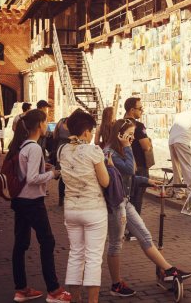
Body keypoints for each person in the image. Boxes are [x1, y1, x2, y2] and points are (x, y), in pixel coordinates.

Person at [104, 119, 191, 297]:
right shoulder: (110, 153)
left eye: (133, 135)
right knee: (115, 244)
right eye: (129, 134)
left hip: (125, 202)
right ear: (119, 134)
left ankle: (167, 269)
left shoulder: (120, 150)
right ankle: (116, 284)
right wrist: (127, 147)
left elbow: (126, 178)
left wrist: (147, 181)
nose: (132, 138)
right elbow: (129, 170)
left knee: (145, 236)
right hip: (116, 204)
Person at [7, 109, 73, 303]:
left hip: (19, 199)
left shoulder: (19, 144)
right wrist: (52, 175)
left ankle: (21, 288)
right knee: (47, 241)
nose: (47, 126)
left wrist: (43, 168)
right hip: (32, 201)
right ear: (39, 125)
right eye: (46, 123)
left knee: (21, 243)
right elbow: (32, 178)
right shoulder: (34, 147)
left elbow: (24, 171)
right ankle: (53, 290)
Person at [59, 109, 110, 303]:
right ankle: (92, 301)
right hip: (93, 209)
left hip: (71, 210)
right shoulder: (93, 150)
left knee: (75, 254)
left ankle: (76, 298)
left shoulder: (62, 150)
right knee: (93, 256)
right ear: (87, 132)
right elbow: (105, 182)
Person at [123, 97, 152, 217]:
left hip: (124, 163)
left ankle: (125, 227)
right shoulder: (138, 126)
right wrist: (149, 141)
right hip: (139, 164)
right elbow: (146, 146)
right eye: (140, 109)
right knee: (137, 198)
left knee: (126, 197)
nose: (142, 111)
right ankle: (133, 230)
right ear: (131, 110)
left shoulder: (119, 124)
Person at [168, 106, 191, 199]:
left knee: (176, 167)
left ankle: (179, 193)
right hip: (182, 141)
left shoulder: (180, 115)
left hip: (171, 141)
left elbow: (170, 131)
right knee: (188, 167)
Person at [53, 116, 72, 207]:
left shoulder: (60, 122)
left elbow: (54, 136)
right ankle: (68, 198)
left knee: (62, 174)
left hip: (60, 147)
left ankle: (61, 199)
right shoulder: (75, 124)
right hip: (71, 147)